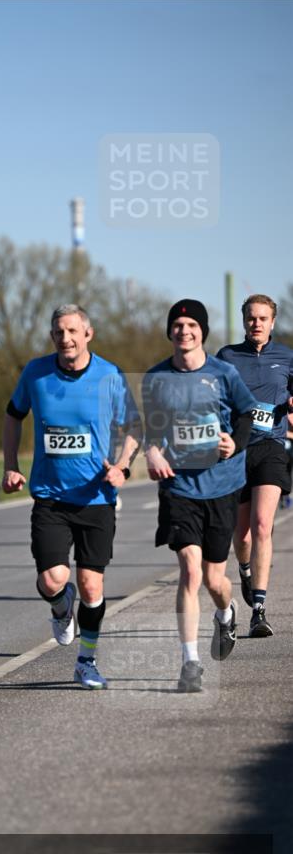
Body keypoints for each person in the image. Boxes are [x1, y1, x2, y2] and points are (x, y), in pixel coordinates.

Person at [2, 304, 141, 690]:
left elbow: (134, 427)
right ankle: (61, 606)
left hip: (96, 496)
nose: (66, 338)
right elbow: (13, 415)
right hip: (50, 495)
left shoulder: (109, 375)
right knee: (52, 580)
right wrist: (10, 465)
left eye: (72, 332)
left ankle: (86, 662)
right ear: (52, 337)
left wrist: (123, 465)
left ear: (88, 334)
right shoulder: (36, 373)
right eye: (59, 332)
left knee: (92, 586)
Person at [142, 299, 255, 693]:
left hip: (222, 485)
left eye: (191, 324)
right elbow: (152, 429)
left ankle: (226, 613)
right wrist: (152, 451)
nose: (184, 331)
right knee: (189, 572)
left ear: (202, 331)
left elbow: (246, 414)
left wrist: (234, 443)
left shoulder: (224, 373)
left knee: (214, 579)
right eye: (178, 324)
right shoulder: (156, 378)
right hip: (180, 488)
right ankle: (190, 663)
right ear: (170, 331)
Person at [217, 295, 293, 637]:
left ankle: (258, 609)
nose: (257, 323)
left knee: (264, 525)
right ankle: (245, 570)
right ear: (244, 320)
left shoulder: (288, 357)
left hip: (272, 448)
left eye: (263, 318)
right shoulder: (227, 357)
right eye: (251, 318)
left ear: (273, 322)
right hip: (237, 452)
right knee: (243, 533)